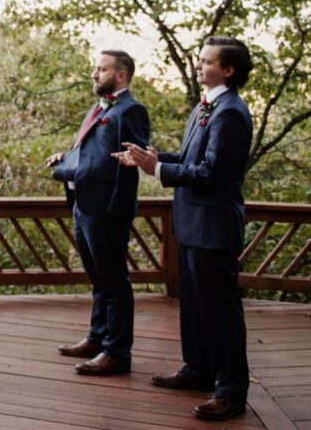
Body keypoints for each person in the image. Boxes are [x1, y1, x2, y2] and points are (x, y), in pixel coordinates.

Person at [119, 37, 254, 422]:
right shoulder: (203, 107)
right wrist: (152, 157)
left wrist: (157, 171)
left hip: (214, 227)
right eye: (199, 60)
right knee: (194, 307)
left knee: (220, 312)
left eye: (206, 61)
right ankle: (198, 369)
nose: (199, 66)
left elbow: (212, 173)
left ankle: (230, 391)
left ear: (228, 69)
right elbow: (192, 159)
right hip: (192, 223)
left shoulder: (231, 112)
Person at [47, 51, 149, 376]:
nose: (94, 73)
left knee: (114, 281)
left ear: (120, 76)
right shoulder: (98, 107)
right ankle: (97, 337)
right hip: (84, 205)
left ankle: (117, 352)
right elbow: (92, 153)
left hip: (107, 210)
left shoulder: (131, 110)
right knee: (98, 279)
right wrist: (67, 157)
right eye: (96, 67)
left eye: (101, 69)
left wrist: (116, 210)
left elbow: (129, 163)